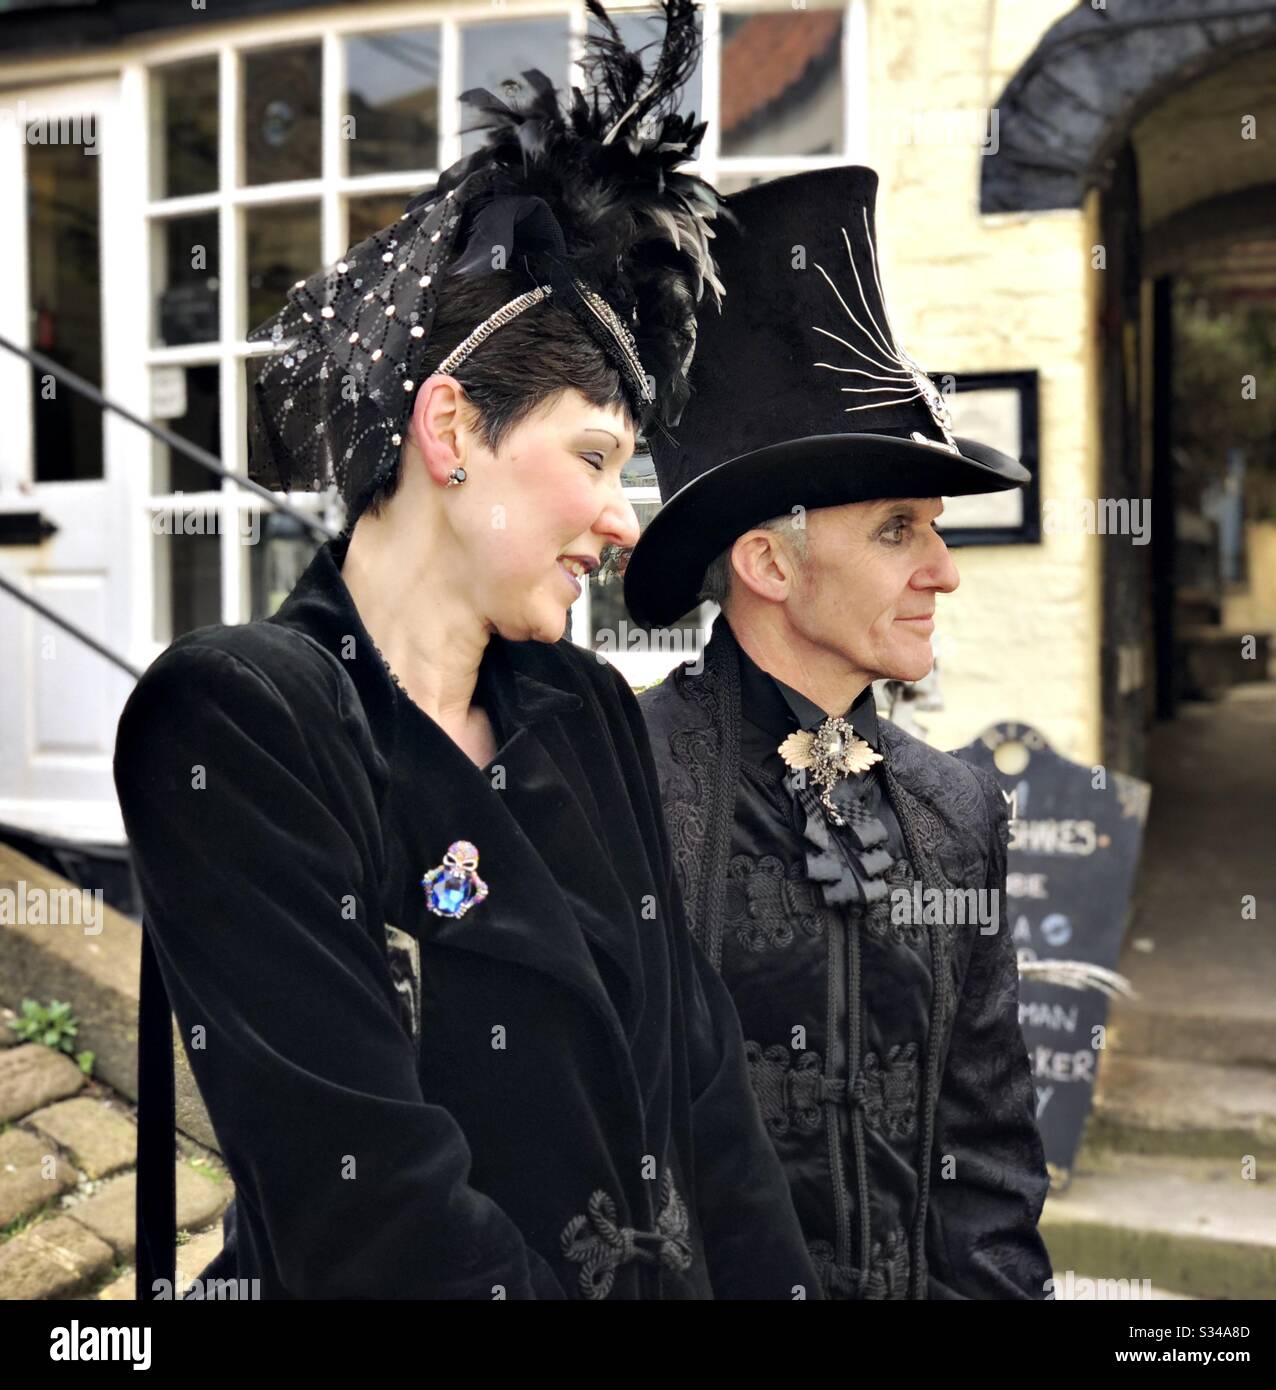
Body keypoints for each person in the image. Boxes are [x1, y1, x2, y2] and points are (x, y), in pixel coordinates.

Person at [115, 0, 820, 1301]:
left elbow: (706, 1089)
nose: (624, 513)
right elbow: (381, 1222)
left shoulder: (588, 706)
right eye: (597, 457)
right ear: (453, 430)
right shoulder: (240, 723)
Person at [626, 165, 1055, 1299]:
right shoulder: (616, 786)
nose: (944, 572)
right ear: (769, 560)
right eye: (898, 530)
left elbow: (992, 1173)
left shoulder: (955, 808)